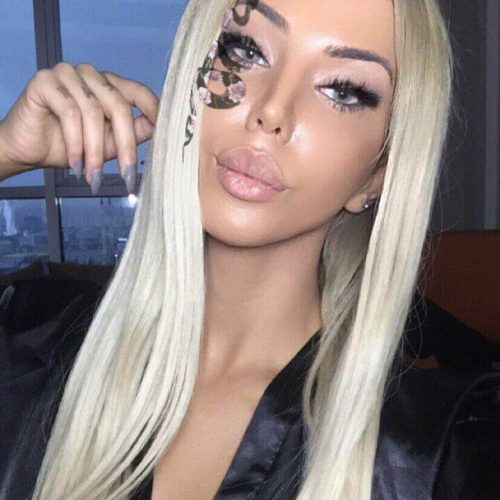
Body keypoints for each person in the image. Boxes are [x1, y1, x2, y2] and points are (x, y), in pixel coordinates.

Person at [0, 0, 499, 499]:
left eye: (343, 91)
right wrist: (6, 151)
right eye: (245, 50)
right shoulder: (34, 349)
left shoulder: (437, 456)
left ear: (377, 175)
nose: (272, 111)